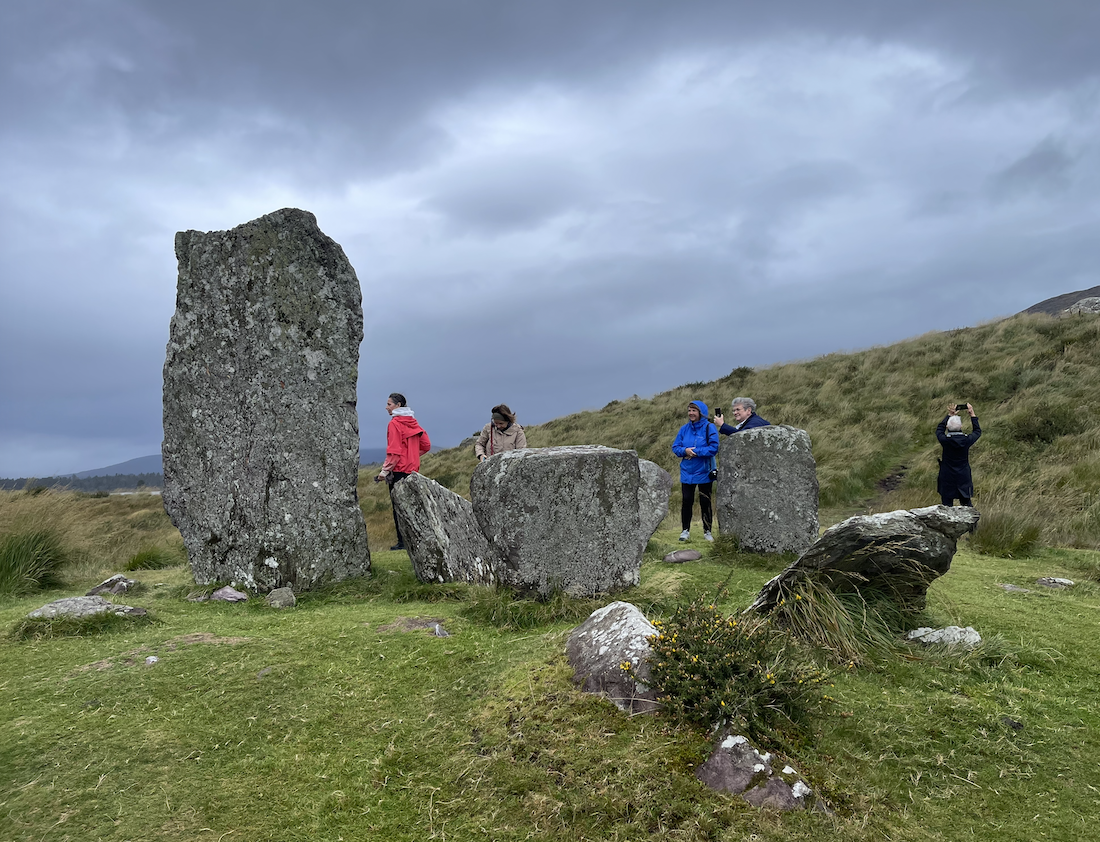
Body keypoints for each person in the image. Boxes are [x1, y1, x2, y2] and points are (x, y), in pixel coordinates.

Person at [375, 393, 431, 550]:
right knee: (412, 507)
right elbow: (426, 445)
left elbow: (394, 452)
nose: (386, 407)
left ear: (398, 405)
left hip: (398, 472)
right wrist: (412, 455)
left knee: (398, 508)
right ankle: (415, 541)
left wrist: (384, 472)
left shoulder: (394, 424)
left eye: (389, 404)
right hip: (413, 472)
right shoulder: (413, 422)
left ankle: (402, 543)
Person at [671, 399, 719, 542]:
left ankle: (707, 532)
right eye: (689, 410)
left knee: (705, 501)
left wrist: (695, 452)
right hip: (687, 471)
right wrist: (684, 450)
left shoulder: (709, 427)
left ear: (701, 413)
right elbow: (675, 447)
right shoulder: (684, 429)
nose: (691, 413)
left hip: (704, 470)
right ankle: (685, 531)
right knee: (686, 501)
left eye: (694, 410)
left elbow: (714, 448)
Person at [936, 403, 980, 507]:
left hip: (947, 476)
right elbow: (977, 431)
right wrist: (972, 414)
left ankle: (947, 523)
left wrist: (949, 415)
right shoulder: (966, 440)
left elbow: (939, 430)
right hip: (963, 476)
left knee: (946, 506)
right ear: (961, 426)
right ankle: (971, 523)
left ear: (947, 427)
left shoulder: (945, 440)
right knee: (966, 504)